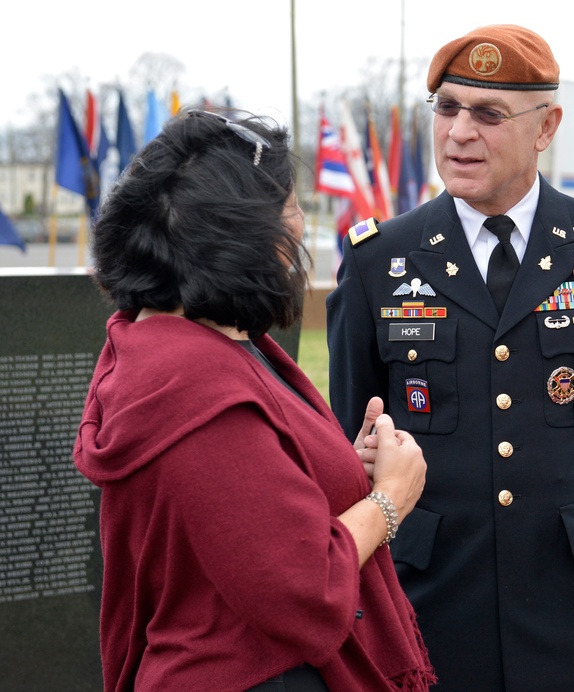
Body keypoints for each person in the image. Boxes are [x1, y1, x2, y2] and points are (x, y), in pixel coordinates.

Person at [326, 24, 574, 691]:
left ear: (547, 127)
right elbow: (351, 440)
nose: (459, 132)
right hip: (433, 604)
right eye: (448, 108)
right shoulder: (379, 261)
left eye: (488, 115)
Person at [74, 110, 436, 691]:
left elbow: (241, 510)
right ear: (245, 234)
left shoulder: (184, 342)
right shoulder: (193, 383)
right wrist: (391, 499)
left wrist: (335, 467)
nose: (298, 224)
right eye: (290, 206)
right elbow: (304, 590)